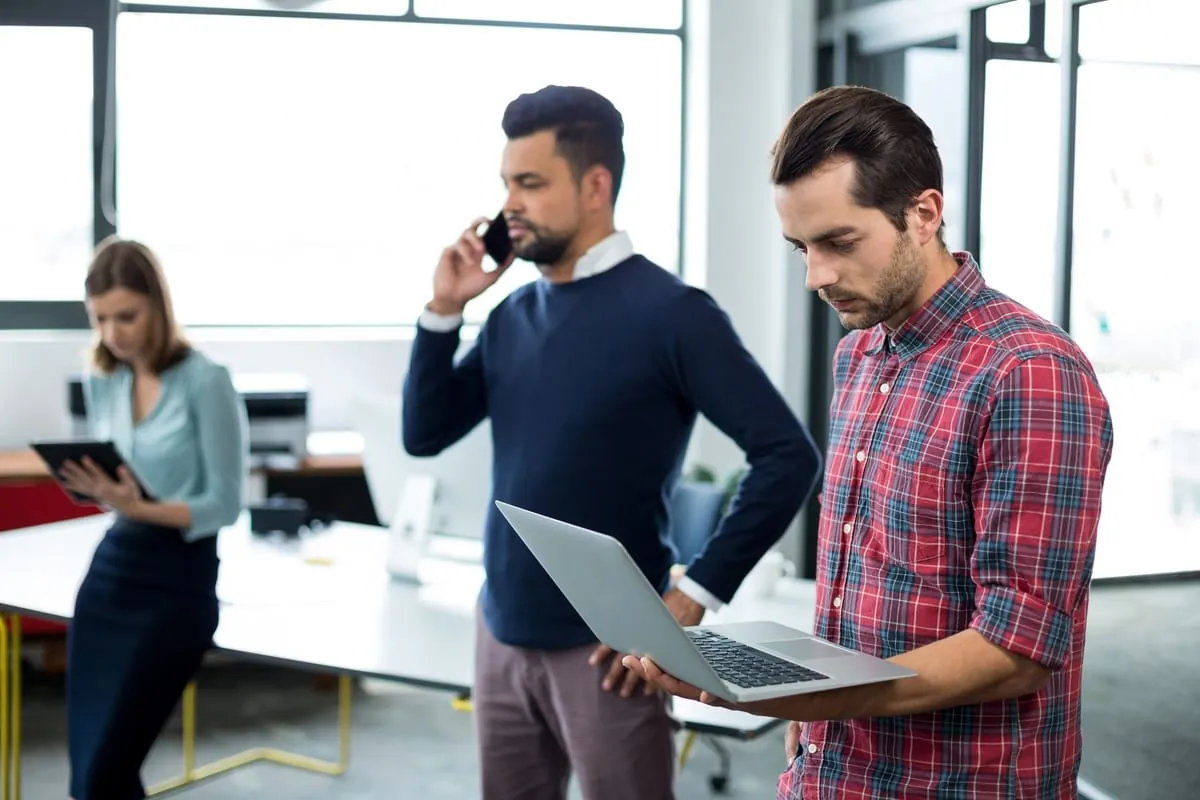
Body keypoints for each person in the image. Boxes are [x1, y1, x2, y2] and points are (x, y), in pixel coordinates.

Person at [625, 85, 1114, 800]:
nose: (816, 276)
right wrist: (807, 710)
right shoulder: (859, 354)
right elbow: (863, 582)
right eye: (801, 247)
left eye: (839, 242)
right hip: (833, 769)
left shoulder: (1031, 372)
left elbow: (1019, 648)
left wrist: (811, 696)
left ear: (924, 214)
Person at [401, 84, 822, 800]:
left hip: (609, 653)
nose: (510, 205)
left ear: (596, 186)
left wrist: (692, 595)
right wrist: (444, 310)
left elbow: (789, 456)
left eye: (530, 184)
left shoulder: (674, 314)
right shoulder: (511, 315)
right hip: (500, 630)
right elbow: (424, 433)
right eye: (507, 183)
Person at [57, 237, 248, 800]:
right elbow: (119, 487)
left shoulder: (205, 381)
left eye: (126, 316)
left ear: (158, 307)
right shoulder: (104, 378)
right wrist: (103, 492)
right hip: (113, 570)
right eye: (100, 319)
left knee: (108, 768)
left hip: (177, 582)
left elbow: (224, 504)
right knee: (88, 772)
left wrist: (136, 505)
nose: (112, 332)